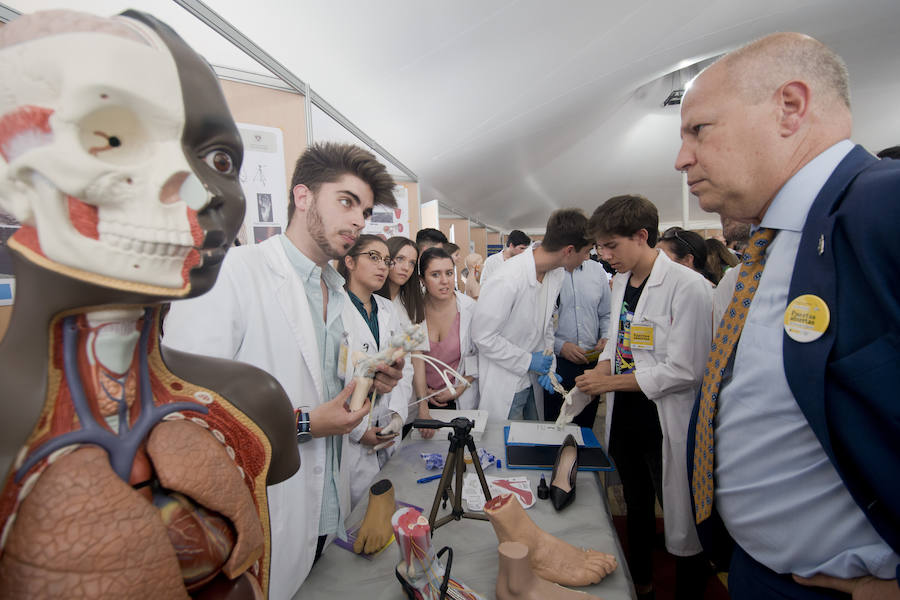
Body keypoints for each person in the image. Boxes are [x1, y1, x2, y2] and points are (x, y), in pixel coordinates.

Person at [0, 10, 297, 597]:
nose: (205, 190)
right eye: (113, 138)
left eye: (219, 159)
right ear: (14, 169)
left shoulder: (251, 403)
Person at [676, 33, 900, 599]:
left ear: (790, 108)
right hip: (760, 570)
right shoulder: (771, 245)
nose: (682, 158)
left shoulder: (884, 208)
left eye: (699, 129)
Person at [163, 142, 406, 598]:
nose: (358, 221)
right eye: (346, 201)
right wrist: (308, 423)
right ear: (303, 197)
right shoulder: (233, 275)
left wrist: (368, 385)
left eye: (366, 211)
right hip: (268, 507)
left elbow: (328, 388)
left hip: (327, 511)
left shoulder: (338, 295)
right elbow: (184, 416)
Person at [574, 195, 713, 600]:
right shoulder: (620, 282)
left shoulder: (689, 287)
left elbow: (686, 369)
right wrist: (602, 366)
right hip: (627, 416)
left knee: (681, 513)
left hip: (666, 417)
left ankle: (689, 591)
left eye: (611, 245)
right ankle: (642, 585)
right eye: (599, 246)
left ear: (642, 235)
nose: (604, 255)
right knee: (635, 504)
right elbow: (619, 340)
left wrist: (610, 384)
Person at [472, 210, 593, 420]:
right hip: (506, 383)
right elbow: (483, 336)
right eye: (587, 251)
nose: (587, 258)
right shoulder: (507, 277)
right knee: (505, 447)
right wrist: (527, 360)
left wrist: (549, 367)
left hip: (532, 381)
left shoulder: (555, 274)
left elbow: (546, 327)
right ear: (569, 250)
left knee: (531, 445)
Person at [336, 235, 413, 507]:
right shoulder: (335, 312)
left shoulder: (388, 309)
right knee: (356, 518)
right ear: (349, 262)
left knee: (389, 509)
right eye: (373, 257)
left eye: (386, 260)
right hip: (351, 439)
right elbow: (333, 384)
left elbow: (405, 367)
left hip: (386, 428)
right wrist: (358, 431)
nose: (383, 266)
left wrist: (396, 415)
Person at [375, 236, 433, 438]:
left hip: (403, 400)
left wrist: (423, 406)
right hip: (372, 398)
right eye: (399, 259)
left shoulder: (412, 305)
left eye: (411, 263)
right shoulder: (370, 300)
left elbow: (417, 358)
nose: (405, 268)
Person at [543, 256, 611, 428]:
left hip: (592, 363)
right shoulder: (549, 272)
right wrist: (560, 346)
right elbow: (538, 323)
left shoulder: (596, 271)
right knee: (556, 422)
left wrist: (606, 337)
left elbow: (606, 314)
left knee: (585, 424)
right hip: (558, 364)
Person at [414, 247, 479, 413]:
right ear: (422, 280)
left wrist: (459, 388)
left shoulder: (469, 309)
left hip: (459, 397)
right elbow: (413, 359)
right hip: (420, 398)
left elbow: (480, 355)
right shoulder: (413, 311)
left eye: (449, 273)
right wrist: (423, 394)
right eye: (435, 275)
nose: (445, 281)